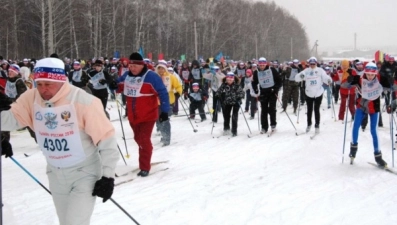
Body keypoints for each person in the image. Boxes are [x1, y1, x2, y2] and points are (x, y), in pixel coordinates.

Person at [0, 57, 119, 225]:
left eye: (48, 84)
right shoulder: (31, 98)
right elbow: (11, 120)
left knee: (75, 222)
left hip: (84, 173)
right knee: (65, 222)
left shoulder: (83, 101)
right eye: (39, 84)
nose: (43, 90)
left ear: (62, 81)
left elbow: (107, 140)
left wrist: (107, 176)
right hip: (55, 173)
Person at [117, 52, 170, 176]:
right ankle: (145, 154)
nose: (132, 68)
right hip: (133, 115)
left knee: (144, 140)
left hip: (148, 115)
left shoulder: (151, 77)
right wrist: (112, 84)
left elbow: (163, 93)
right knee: (138, 139)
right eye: (130, 66)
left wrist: (165, 111)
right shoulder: (127, 75)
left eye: (135, 66)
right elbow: (118, 86)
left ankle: (144, 167)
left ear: (141, 65)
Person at [347, 62, 390, 167]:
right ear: (365, 72)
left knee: (374, 131)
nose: (370, 77)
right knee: (355, 126)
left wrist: (391, 82)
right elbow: (346, 84)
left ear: (375, 73)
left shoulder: (380, 78)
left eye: (372, 74)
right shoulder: (359, 78)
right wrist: (349, 81)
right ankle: (353, 150)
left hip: (374, 108)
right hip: (361, 106)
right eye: (368, 74)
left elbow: (392, 86)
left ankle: (378, 156)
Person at [295, 57, 331, 134]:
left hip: (318, 93)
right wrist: (300, 77)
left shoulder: (320, 70)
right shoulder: (306, 71)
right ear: (309, 64)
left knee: (316, 109)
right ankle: (309, 124)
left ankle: (317, 125)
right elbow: (297, 78)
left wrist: (328, 80)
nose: (312, 65)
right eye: (311, 64)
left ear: (316, 63)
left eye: (313, 64)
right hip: (309, 93)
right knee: (309, 110)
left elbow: (325, 77)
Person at [155, 60, 182, 146]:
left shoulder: (171, 77)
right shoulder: (155, 77)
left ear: (165, 69)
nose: (161, 70)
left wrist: (178, 92)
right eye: (159, 69)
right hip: (157, 102)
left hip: (168, 101)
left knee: (165, 120)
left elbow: (178, 86)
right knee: (159, 119)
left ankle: (166, 138)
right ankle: (163, 135)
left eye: (162, 69)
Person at [252, 57, 282, 133]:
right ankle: (264, 127)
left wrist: (275, 88)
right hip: (263, 92)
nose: (262, 66)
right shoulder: (256, 72)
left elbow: (279, 81)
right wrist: (255, 89)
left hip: (272, 92)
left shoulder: (272, 70)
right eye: (260, 65)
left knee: (272, 109)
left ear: (266, 64)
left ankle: (273, 125)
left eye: (263, 65)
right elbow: (254, 82)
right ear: (258, 65)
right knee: (264, 110)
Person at [217, 72, 244, 136]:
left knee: (234, 116)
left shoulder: (237, 85)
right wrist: (218, 95)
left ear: (233, 79)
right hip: (227, 102)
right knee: (226, 116)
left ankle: (234, 131)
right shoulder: (224, 85)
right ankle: (226, 129)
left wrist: (239, 97)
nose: (229, 81)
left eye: (231, 80)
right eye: (228, 80)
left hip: (236, 102)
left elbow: (242, 93)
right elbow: (218, 91)